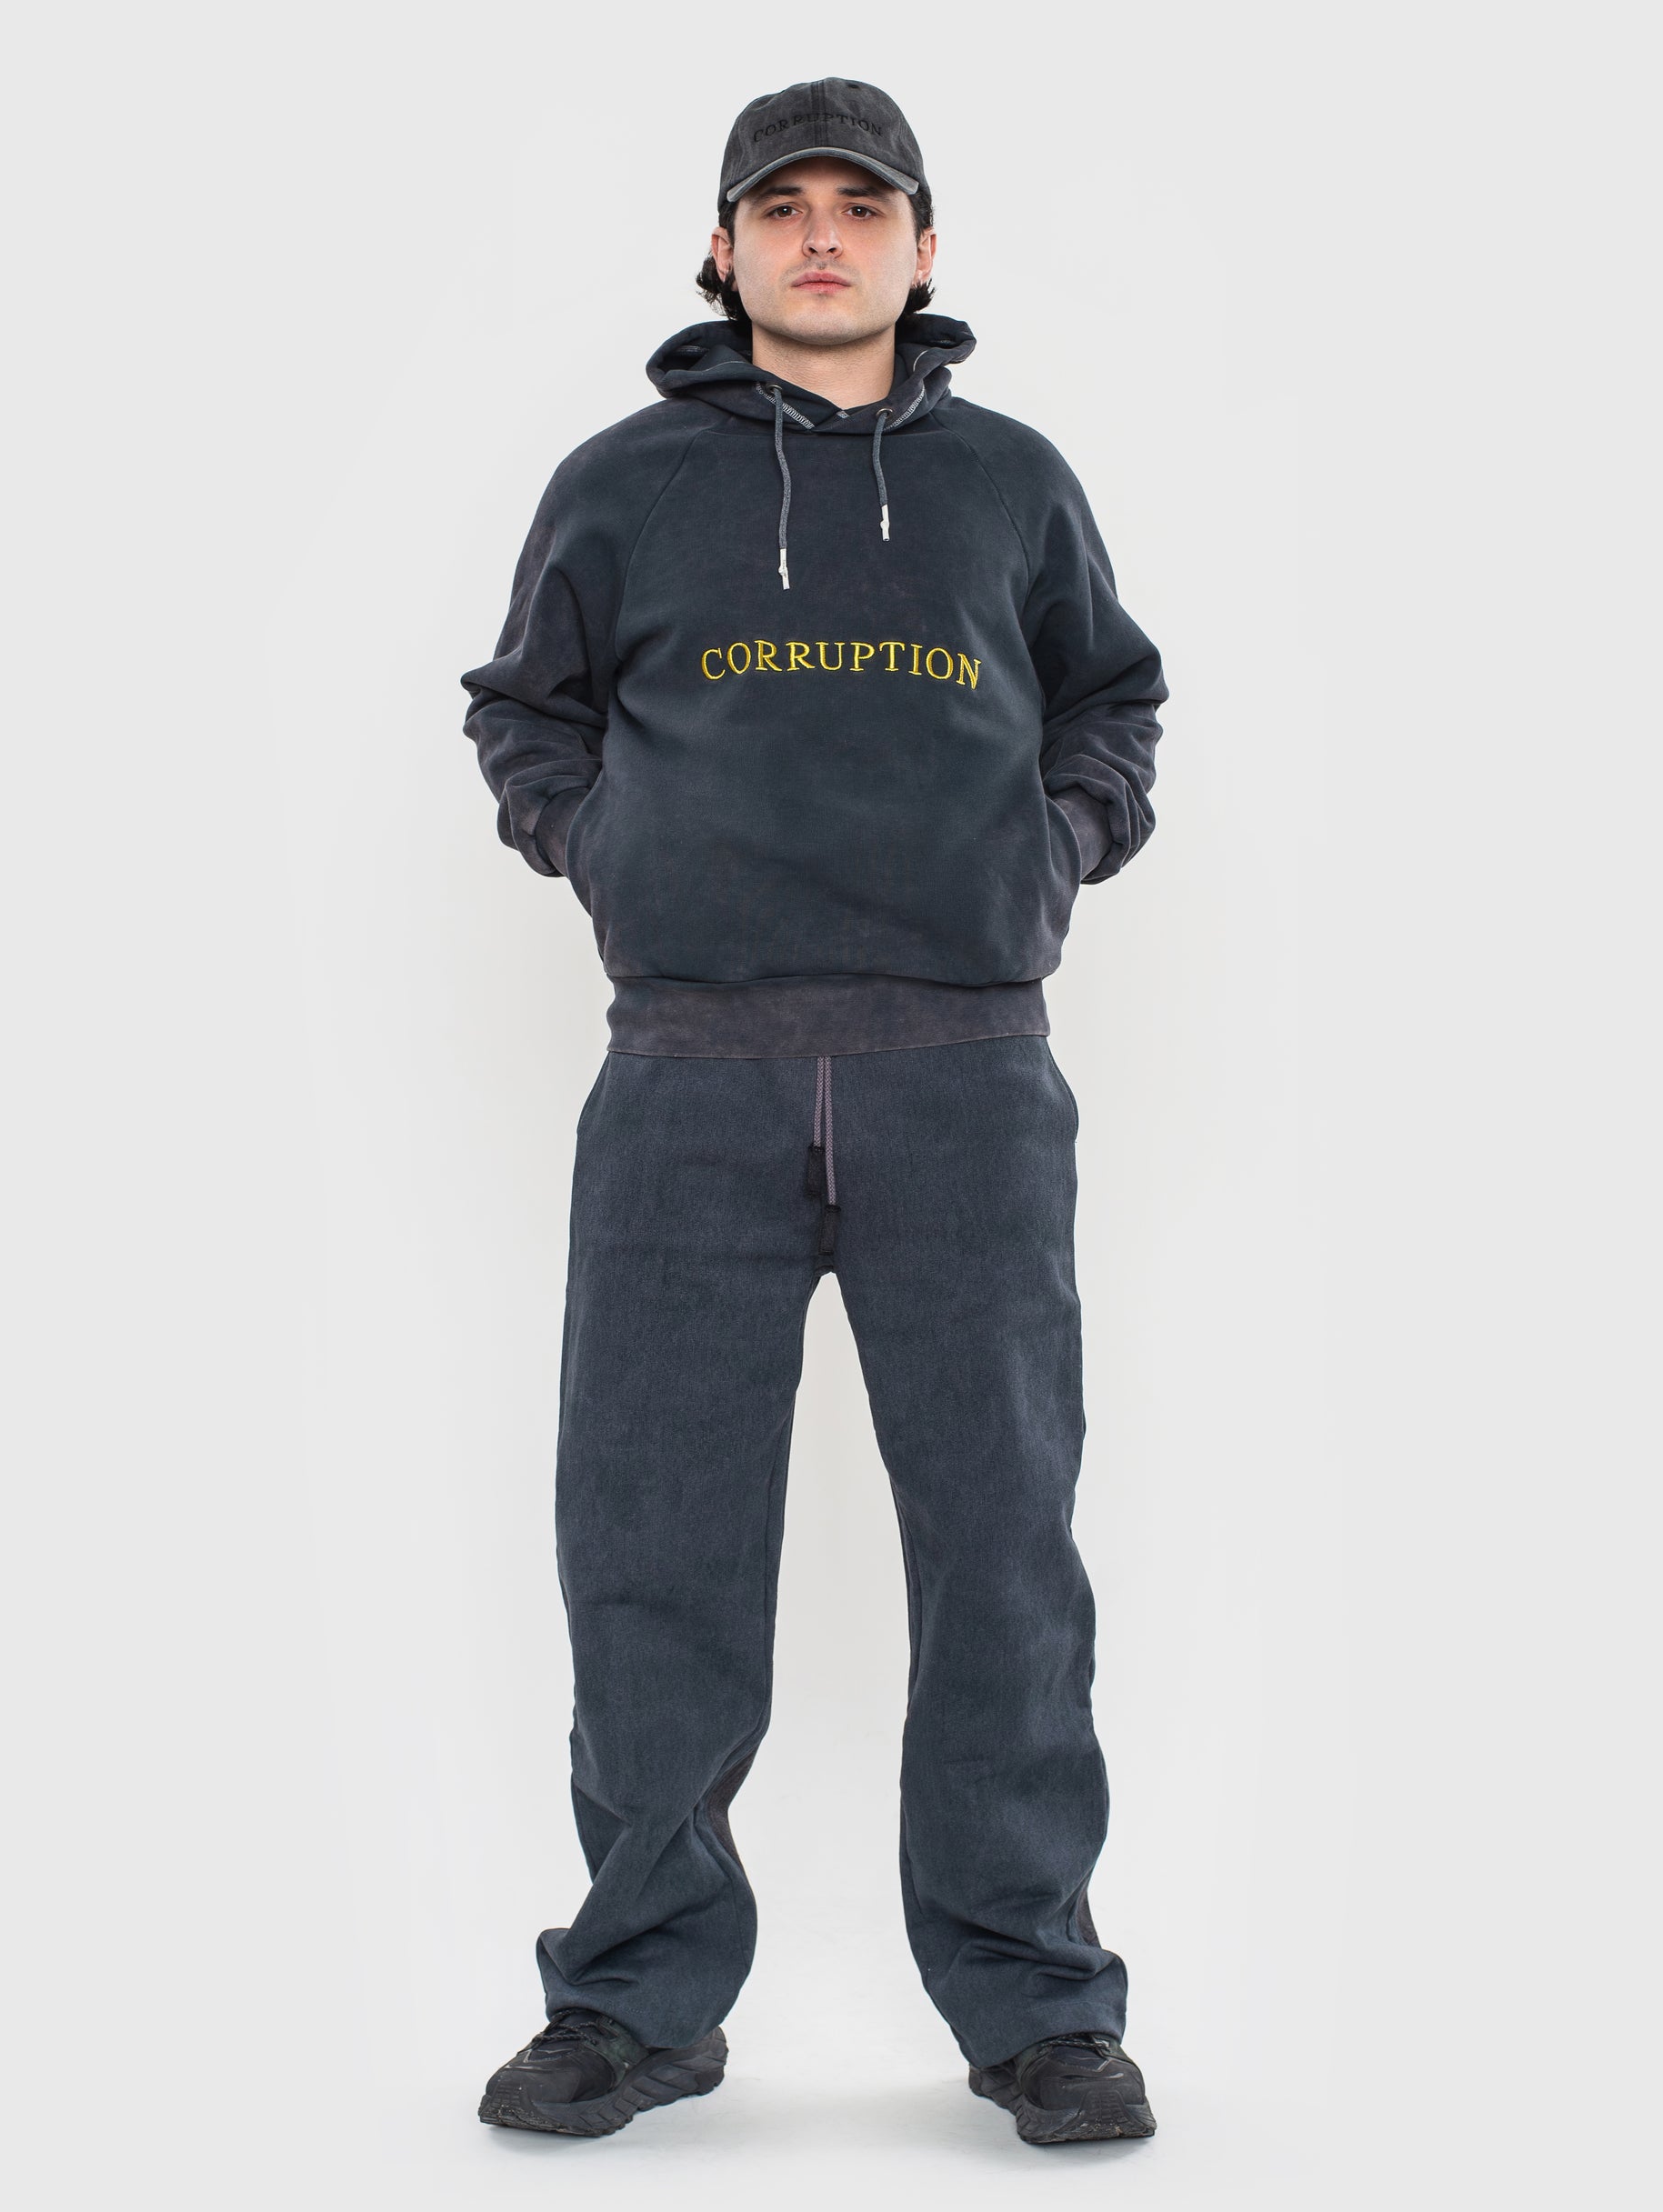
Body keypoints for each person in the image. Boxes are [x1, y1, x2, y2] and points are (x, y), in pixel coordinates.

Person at [458, 77, 1168, 2149]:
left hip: (967, 1072)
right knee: (650, 1546)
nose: (825, 236)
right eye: (784, 208)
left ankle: (1037, 2000)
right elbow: (524, 711)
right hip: (689, 1070)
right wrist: (604, 849)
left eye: (865, 206)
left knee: (1002, 1550)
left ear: (924, 249)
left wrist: (1051, 850)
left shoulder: (1012, 483)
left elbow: (1112, 697)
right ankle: (636, 1997)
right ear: (725, 247)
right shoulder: (619, 485)